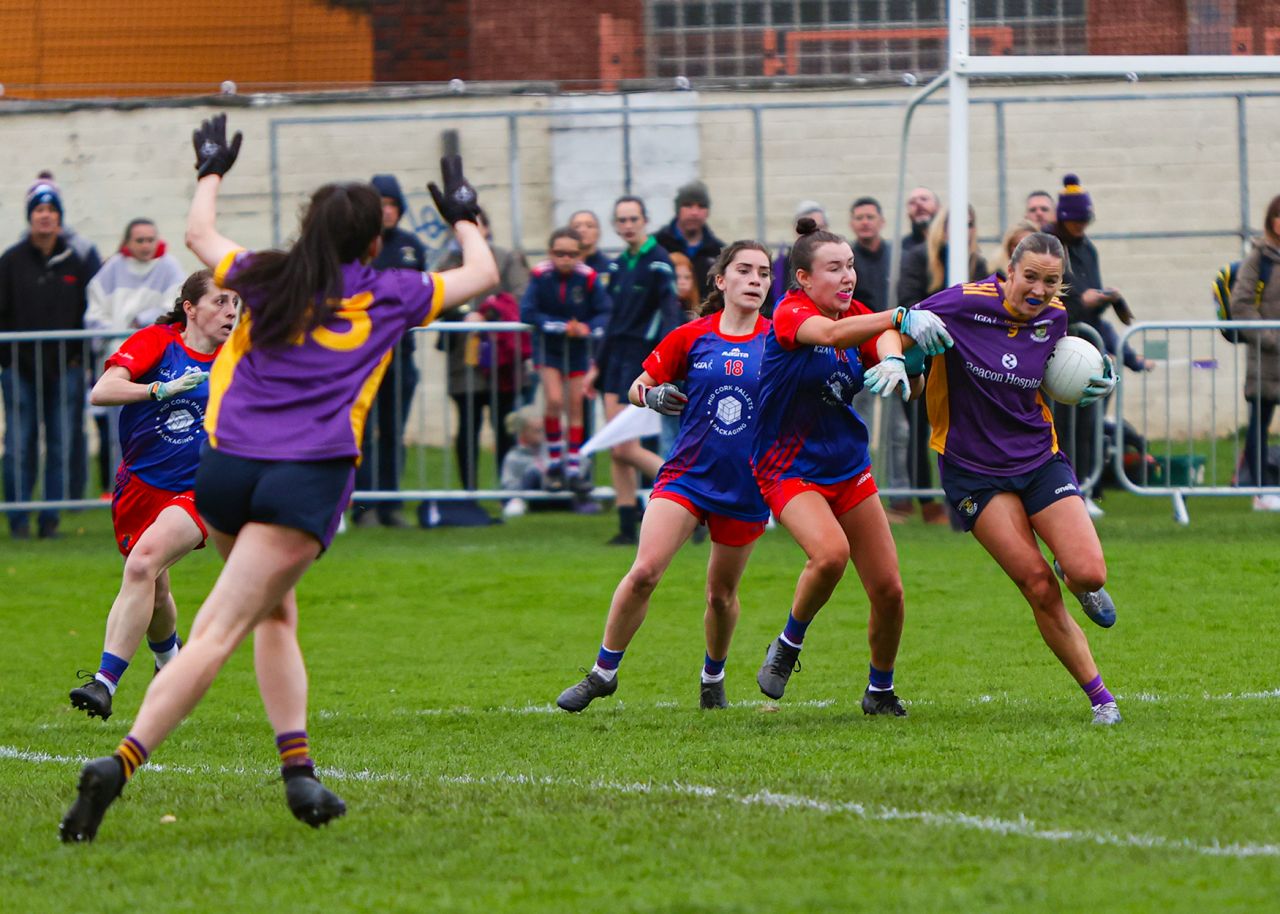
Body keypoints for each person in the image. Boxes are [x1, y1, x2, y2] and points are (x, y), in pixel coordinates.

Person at [59, 114, 499, 842]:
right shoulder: (388, 290)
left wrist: (210, 168)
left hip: (227, 471)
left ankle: (299, 774)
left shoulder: (265, 272)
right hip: (305, 477)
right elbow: (480, 274)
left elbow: (200, 236)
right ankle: (120, 763)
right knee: (221, 630)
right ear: (373, 241)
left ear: (307, 225)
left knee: (275, 612)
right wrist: (465, 216)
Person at [910, 231, 1122, 725]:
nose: (1039, 289)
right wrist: (906, 364)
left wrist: (1094, 379)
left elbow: (1059, 372)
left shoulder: (1056, 320)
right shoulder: (962, 303)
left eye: (1051, 281)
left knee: (1089, 572)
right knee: (1037, 585)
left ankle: (1077, 575)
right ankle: (1101, 699)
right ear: (1010, 271)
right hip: (973, 472)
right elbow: (905, 326)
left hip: (1037, 459)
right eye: (1030, 277)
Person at [556, 242, 775, 713]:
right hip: (687, 475)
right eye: (745, 270)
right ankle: (603, 672)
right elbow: (639, 385)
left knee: (720, 597)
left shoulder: (779, 342)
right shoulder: (691, 336)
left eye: (763, 272)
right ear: (721, 281)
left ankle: (712, 676)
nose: (755, 279)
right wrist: (650, 397)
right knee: (644, 573)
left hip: (746, 484)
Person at [751, 218, 953, 716]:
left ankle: (880, 690)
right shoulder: (790, 313)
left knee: (889, 589)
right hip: (787, 467)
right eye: (835, 268)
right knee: (830, 555)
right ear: (803, 278)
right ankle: (788, 644)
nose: (848, 277)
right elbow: (838, 333)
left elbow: (878, 334)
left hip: (847, 466)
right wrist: (901, 317)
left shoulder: (857, 310)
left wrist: (891, 358)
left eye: (851, 267)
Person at [68, 270, 238, 721]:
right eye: (220, 302)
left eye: (235, 303)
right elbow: (102, 391)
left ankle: (104, 683)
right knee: (155, 586)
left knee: (143, 563)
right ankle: (171, 665)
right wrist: (156, 389)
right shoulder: (157, 342)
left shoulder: (237, 358)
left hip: (199, 490)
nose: (230, 312)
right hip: (139, 488)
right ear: (190, 308)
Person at [0, 177, 97, 539]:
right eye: (39, 210)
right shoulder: (10, 262)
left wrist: (79, 359)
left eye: (51, 211)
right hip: (18, 371)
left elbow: (90, 312)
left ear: (59, 218)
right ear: (30, 217)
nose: (45, 217)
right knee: (19, 444)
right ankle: (19, 519)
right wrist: (7, 362)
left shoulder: (77, 261)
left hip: (64, 370)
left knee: (59, 443)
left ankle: (50, 520)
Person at [590, 195, 685, 545]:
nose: (628, 225)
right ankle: (627, 524)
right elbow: (610, 319)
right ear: (616, 226)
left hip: (641, 361)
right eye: (622, 220)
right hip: (614, 359)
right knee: (618, 447)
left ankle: (689, 493)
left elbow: (670, 313)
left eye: (633, 218)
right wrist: (595, 366)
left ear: (645, 221)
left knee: (625, 447)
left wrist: (666, 361)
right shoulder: (617, 267)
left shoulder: (659, 261)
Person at [1049, 173, 1145, 515]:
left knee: (1090, 423)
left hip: (1088, 344)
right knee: (1064, 425)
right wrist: (1083, 299)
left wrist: (1103, 300)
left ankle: (1086, 487)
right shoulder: (1051, 245)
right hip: (1061, 348)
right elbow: (1057, 296)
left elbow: (1092, 299)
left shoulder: (1087, 248)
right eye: (1074, 220)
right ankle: (1066, 490)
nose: (1079, 226)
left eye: (1083, 219)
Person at [896, 206, 989, 526]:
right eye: (956, 224)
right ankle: (925, 500)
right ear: (941, 227)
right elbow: (907, 303)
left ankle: (962, 499)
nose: (963, 230)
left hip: (963, 362)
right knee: (918, 428)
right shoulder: (918, 257)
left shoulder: (977, 263)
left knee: (962, 430)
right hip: (922, 357)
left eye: (970, 224)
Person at [86, 218, 187, 497]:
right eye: (139, 240)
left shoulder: (169, 267)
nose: (145, 246)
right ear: (127, 242)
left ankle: (158, 487)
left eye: (150, 239)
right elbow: (94, 311)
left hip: (156, 362)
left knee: (157, 429)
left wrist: (142, 321)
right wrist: (114, 333)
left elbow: (175, 304)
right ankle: (121, 487)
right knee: (119, 428)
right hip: (121, 362)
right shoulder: (112, 269)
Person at [350, 174, 428, 528]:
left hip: (400, 355)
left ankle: (391, 503)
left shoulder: (411, 245)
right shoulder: (356, 247)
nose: (387, 212)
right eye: (380, 204)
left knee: (393, 431)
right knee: (362, 430)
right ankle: (363, 506)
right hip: (362, 358)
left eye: (393, 204)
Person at [433, 209, 530, 490]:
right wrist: (462, 317)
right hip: (463, 359)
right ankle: (469, 492)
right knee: (468, 425)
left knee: (505, 427)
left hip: (503, 361)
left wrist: (488, 313)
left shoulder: (505, 258)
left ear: (486, 229)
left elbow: (521, 295)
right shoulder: (447, 262)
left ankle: (508, 490)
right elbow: (435, 300)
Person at [520, 226, 611, 492]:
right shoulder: (540, 275)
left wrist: (587, 328)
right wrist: (559, 325)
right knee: (554, 399)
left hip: (578, 350)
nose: (566, 259)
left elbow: (604, 312)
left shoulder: (589, 278)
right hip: (549, 348)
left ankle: (572, 467)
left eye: (572, 253)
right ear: (551, 253)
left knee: (574, 406)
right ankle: (554, 462)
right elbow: (527, 312)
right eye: (560, 253)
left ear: (580, 254)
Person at [1229, 193, 1280, 511]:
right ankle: (1260, 489)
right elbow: (1241, 303)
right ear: (1271, 221)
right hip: (1266, 358)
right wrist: (1270, 337)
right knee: (1260, 421)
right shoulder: (1258, 259)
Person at [654, 180, 724, 294]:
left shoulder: (718, 253)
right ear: (678, 209)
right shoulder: (658, 245)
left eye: (701, 206)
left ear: (707, 212)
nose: (695, 212)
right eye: (688, 205)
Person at [769, 201, 827, 312]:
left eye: (819, 228)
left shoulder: (840, 268)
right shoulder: (778, 269)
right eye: (806, 229)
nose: (813, 235)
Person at [849, 197, 893, 314]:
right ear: (851, 224)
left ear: (882, 222)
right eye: (859, 218)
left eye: (870, 217)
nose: (865, 222)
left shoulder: (898, 259)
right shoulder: (846, 261)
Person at [569, 209, 611, 278]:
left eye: (589, 226)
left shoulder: (609, 267)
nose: (583, 230)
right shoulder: (561, 266)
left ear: (598, 233)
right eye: (576, 226)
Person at [900, 186, 939, 260]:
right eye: (912, 202)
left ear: (938, 208)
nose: (918, 203)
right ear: (908, 215)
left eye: (924, 199)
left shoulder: (953, 243)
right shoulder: (900, 249)